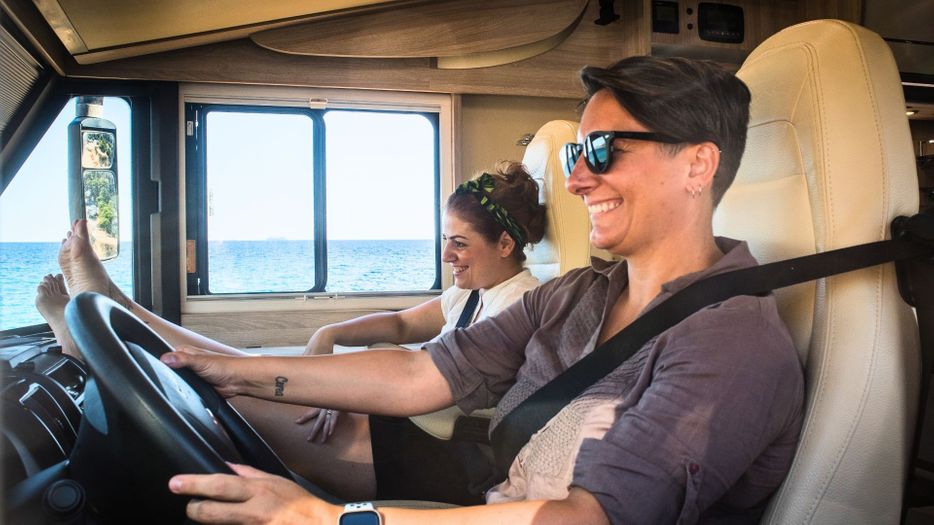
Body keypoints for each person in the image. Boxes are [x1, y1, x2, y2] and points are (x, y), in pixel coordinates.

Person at [38, 162, 547, 501]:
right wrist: (329, 332)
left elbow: (430, 380)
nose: (445, 256)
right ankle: (121, 308)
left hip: (436, 455)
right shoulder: (473, 290)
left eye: (459, 243)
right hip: (403, 422)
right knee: (230, 363)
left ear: (504, 243)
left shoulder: (520, 305)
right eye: (444, 240)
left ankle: (95, 334)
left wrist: (340, 386)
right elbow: (399, 323)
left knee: (221, 381)